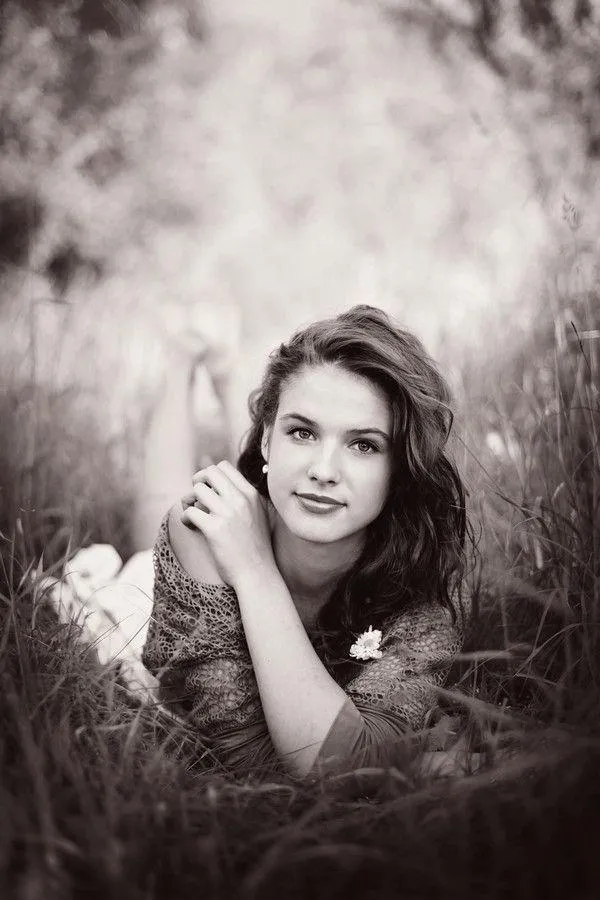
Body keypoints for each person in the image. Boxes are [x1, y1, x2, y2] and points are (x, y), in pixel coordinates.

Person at [140, 304, 473, 780]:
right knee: (157, 512)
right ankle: (182, 362)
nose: (323, 471)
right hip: (141, 599)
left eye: (364, 445)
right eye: (301, 432)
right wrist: (253, 570)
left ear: (399, 468)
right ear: (266, 443)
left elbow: (341, 762)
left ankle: (228, 377)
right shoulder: (204, 535)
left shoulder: (420, 597)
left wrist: (371, 759)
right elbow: (254, 760)